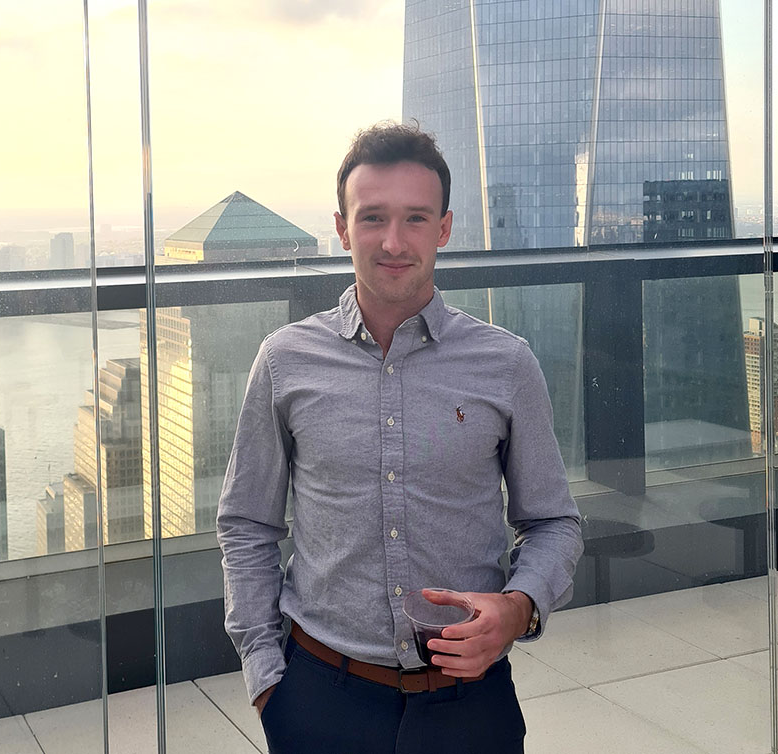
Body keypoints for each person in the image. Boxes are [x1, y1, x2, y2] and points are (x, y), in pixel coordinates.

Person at [215, 122, 583, 754]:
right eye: (372, 218)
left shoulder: (506, 363)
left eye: (415, 219)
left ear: (443, 229)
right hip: (317, 697)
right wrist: (266, 678)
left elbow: (554, 522)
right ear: (341, 227)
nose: (393, 241)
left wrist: (520, 607)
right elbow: (247, 522)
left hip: (470, 702)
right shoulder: (285, 360)